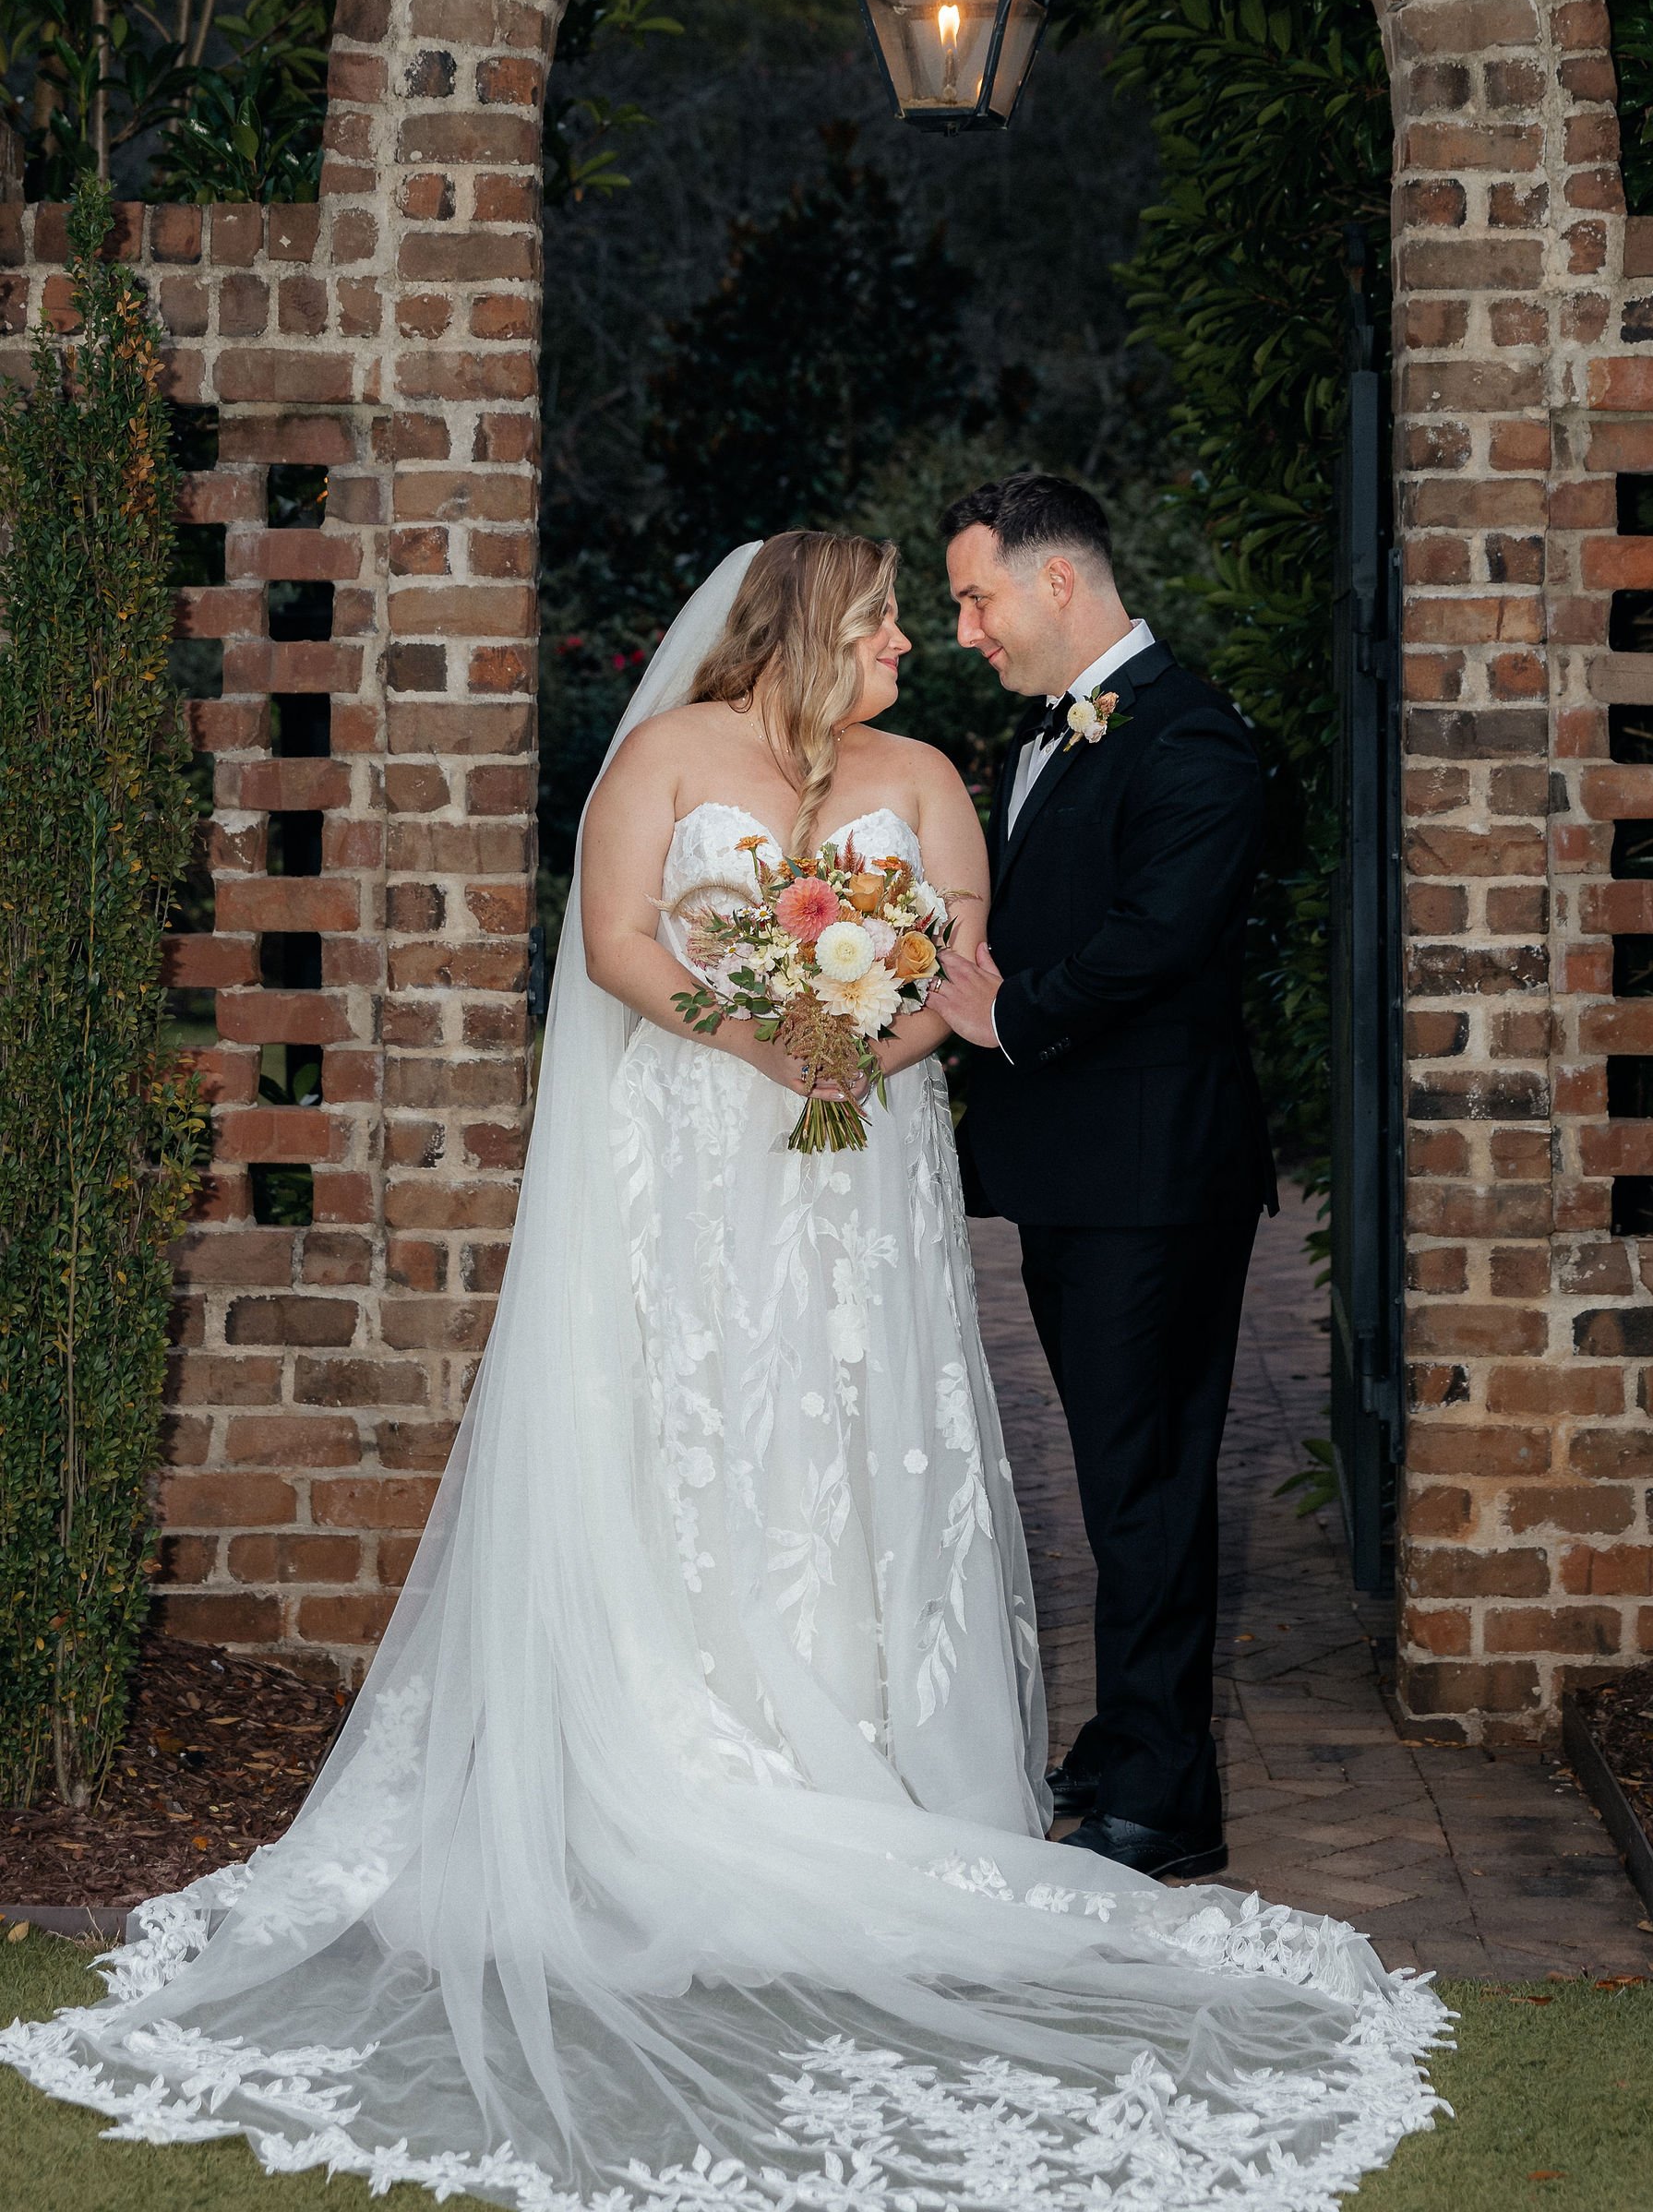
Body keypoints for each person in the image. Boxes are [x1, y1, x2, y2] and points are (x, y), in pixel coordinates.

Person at [1, 532, 1439, 2212]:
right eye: (895, 615)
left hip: (860, 1167)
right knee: (696, 1424)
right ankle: (685, 1748)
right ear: (812, 626)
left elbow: (960, 966)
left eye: (935, 610)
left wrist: (866, 1036)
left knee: (855, 1434)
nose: (920, 639)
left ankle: (869, 1750)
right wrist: (765, 1032)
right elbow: (619, 945)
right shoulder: (668, 756)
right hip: (697, 1155)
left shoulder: (926, 776)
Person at [933, 472, 1276, 1881]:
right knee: (1114, 1468)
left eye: (976, 597)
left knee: (1147, 1478)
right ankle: (1131, 1735)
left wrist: (1002, 1015)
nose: (965, 629)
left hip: (1156, 1171)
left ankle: (1167, 1796)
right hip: (1076, 1167)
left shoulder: (1194, 739)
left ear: (1057, 581)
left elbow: (1158, 939)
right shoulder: (1047, 735)